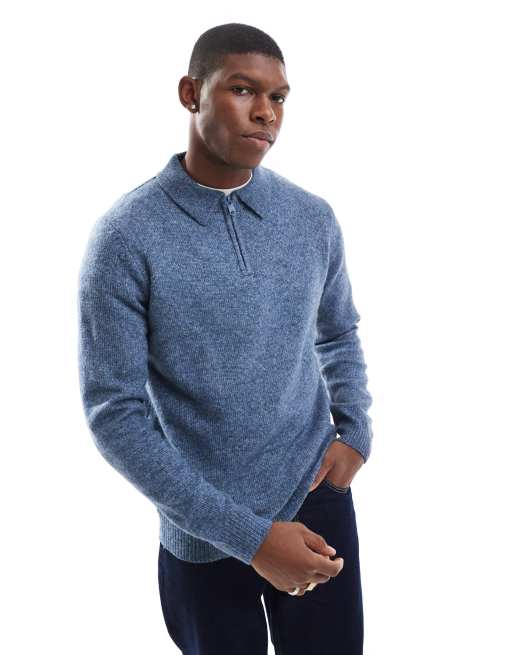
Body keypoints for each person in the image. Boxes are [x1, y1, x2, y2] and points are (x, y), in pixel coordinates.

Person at [77, 21, 373, 655]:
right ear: (191, 93)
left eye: (279, 97)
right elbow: (114, 414)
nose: (266, 112)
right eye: (243, 90)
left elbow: (338, 331)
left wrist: (356, 433)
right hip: (202, 527)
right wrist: (249, 538)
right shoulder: (125, 238)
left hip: (315, 495)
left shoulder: (311, 218)